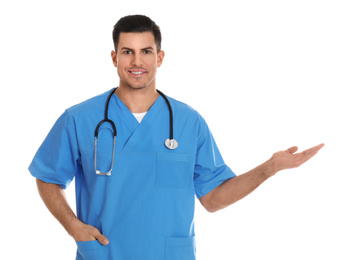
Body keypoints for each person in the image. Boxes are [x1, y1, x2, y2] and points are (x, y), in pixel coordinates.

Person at [29, 14, 324, 260]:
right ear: (114, 57)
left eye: (146, 51)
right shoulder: (79, 118)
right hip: (105, 253)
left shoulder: (188, 122)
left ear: (160, 57)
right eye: (127, 51)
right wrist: (72, 226)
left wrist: (269, 168)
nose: (137, 61)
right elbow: (47, 175)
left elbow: (212, 198)